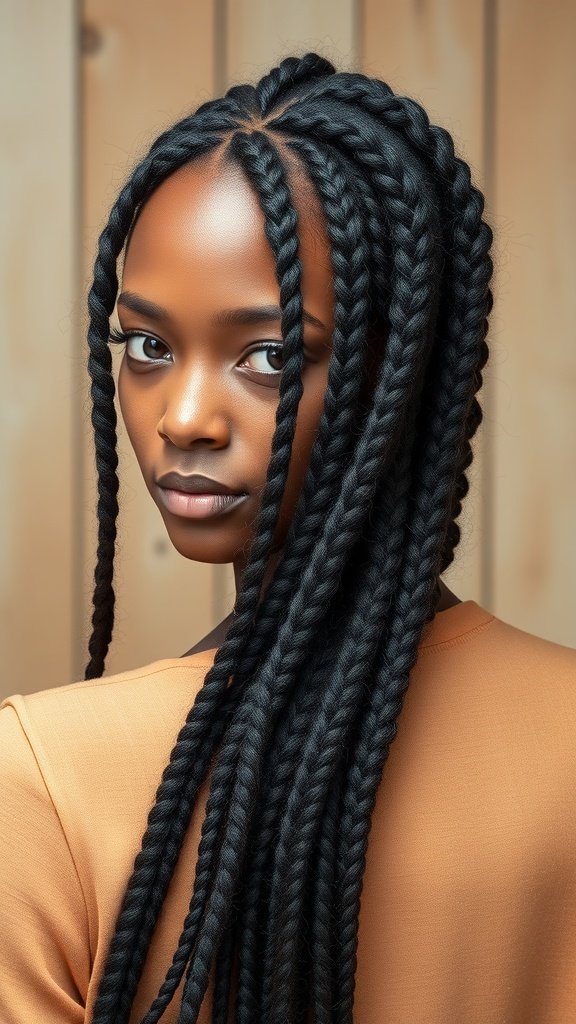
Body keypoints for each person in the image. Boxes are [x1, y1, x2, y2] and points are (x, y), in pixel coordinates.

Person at [1, 52, 575, 1024]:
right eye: (146, 345)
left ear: (402, 376)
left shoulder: (49, 783)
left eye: (267, 356)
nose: (183, 416)